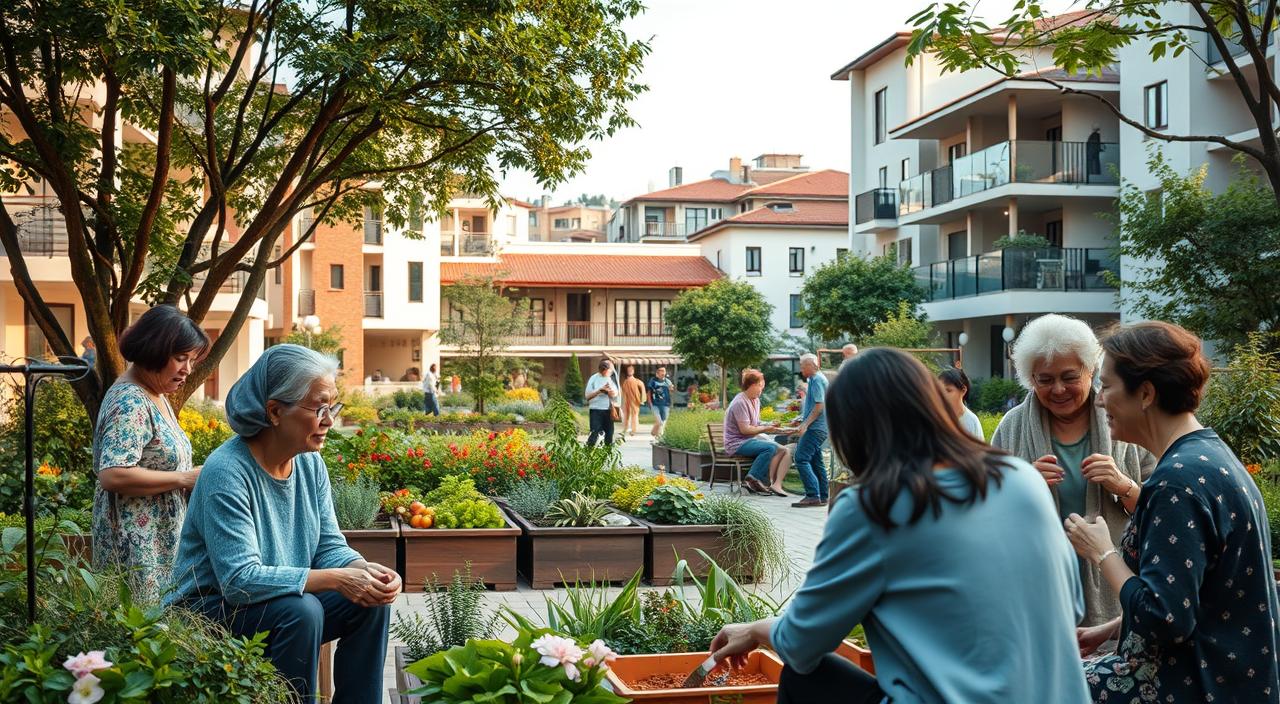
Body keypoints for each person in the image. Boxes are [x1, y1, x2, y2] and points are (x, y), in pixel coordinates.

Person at [708, 348, 1090, 704]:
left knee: (804, 676)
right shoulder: (1021, 476)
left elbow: (801, 642)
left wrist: (756, 629)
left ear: (851, 430)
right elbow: (1072, 607)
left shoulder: (873, 506)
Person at [169, 344, 399, 703]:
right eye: (319, 407)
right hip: (210, 611)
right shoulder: (226, 472)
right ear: (275, 411)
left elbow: (327, 545)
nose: (329, 419)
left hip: (274, 603)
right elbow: (238, 581)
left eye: (333, 406)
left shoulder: (309, 464)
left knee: (368, 600)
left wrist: (363, 571)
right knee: (301, 611)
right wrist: (337, 579)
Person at [1069, 322, 1280, 702]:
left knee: (1040, 683)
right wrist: (1113, 628)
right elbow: (1193, 593)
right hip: (1237, 682)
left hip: (1195, 685)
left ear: (1146, 393)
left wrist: (1103, 552)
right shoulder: (1209, 455)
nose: (1099, 400)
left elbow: (1166, 619)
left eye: (1107, 385)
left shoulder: (1176, 483)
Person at [991, 314, 1153, 626]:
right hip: (1035, 581)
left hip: (1114, 575)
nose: (1059, 389)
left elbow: (1159, 513)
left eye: (1069, 376)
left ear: (1091, 370)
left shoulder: (1123, 421)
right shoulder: (1012, 427)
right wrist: (1021, 485)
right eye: (1045, 379)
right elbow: (984, 510)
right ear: (1029, 378)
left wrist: (1123, 484)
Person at [92, 305, 209, 601]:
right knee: (140, 636)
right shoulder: (130, 401)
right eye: (180, 358)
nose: (187, 369)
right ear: (155, 351)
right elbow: (113, 473)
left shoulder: (155, 395)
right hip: (135, 548)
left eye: (191, 360)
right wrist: (183, 478)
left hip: (159, 543)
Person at [725, 369, 790, 497]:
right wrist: (766, 429)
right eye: (761, 386)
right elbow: (745, 429)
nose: (762, 390)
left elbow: (756, 423)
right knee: (769, 448)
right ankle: (752, 479)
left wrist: (772, 425)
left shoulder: (755, 400)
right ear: (753, 385)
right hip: (736, 443)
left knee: (777, 448)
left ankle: (764, 482)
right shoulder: (740, 402)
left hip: (749, 440)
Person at [788, 354, 828, 507]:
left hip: (815, 428)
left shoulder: (817, 380)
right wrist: (800, 419)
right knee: (816, 461)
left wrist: (805, 424)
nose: (801, 369)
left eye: (803, 366)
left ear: (813, 365)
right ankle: (823, 496)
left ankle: (812, 495)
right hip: (820, 427)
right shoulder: (815, 379)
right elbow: (814, 406)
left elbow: (819, 406)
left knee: (801, 458)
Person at [938, 367, 984, 441]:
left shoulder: (972, 421)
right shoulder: (934, 418)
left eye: (948, 390)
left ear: (963, 390)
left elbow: (979, 451)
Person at [584, 359, 618, 447]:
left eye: (608, 371)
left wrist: (609, 392)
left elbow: (615, 394)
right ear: (601, 370)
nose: (607, 374)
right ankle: (590, 454)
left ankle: (608, 454)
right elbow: (587, 396)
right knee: (594, 434)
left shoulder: (611, 379)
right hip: (595, 410)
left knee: (609, 434)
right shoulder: (594, 378)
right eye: (605, 372)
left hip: (608, 410)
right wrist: (599, 391)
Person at [647, 366, 675, 438]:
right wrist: (649, 402)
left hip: (666, 404)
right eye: (661, 371)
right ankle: (659, 436)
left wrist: (671, 389)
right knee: (659, 421)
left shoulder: (668, 381)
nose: (663, 372)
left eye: (664, 371)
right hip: (655, 404)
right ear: (657, 373)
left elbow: (672, 391)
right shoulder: (653, 381)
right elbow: (649, 392)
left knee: (663, 420)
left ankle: (655, 433)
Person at [620, 364, 646, 439]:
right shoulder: (625, 382)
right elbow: (623, 391)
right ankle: (625, 428)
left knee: (634, 415)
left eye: (631, 370)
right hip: (626, 400)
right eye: (628, 370)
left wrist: (642, 400)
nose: (630, 371)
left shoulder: (638, 382)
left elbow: (643, 390)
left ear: (633, 371)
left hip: (635, 400)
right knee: (626, 415)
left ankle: (633, 430)